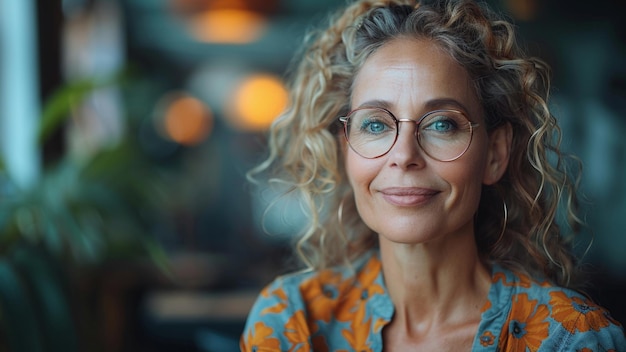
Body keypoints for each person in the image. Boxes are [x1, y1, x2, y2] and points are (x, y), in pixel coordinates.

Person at [240, 0, 626, 350]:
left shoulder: (571, 339)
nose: (404, 155)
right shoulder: (291, 322)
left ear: (495, 154)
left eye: (442, 124)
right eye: (375, 125)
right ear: (346, 150)